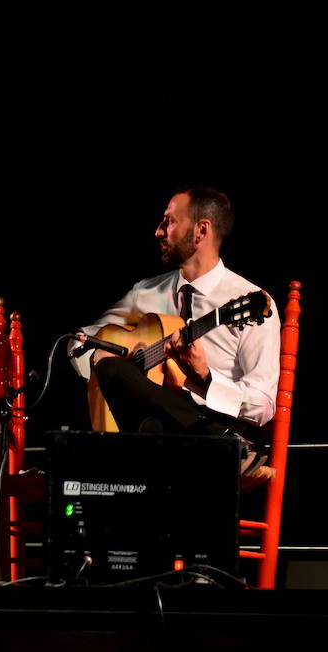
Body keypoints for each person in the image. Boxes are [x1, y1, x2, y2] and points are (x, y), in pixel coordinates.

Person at [70, 186, 279, 483]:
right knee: (108, 363)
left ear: (200, 230)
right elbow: (79, 344)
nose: (158, 231)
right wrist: (109, 361)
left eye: (168, 221)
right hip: (192, 440)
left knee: (150, 431)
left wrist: (206, 380)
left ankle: (213, 437)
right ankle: (217, 442)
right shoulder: (144, 293)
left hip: (217, 421)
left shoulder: (249, 300)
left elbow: (263, 405)